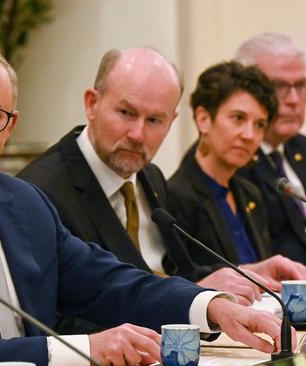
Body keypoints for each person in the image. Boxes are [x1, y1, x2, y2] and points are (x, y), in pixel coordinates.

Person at [0, 39, 287, 366]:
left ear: (10, 126)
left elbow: (109, 282)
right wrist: (86, 348)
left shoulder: (21, 200)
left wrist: (211, 305)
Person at [17, 47, 305, 324]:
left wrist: (243, 273)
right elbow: (50, 317)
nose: (138, 135)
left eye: (155, 120)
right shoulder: (38, 191)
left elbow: (169, 272)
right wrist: (193, 300)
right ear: (92, 104)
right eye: (126, 113)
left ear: (172, 122)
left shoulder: (149, 176)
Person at [168, 61, 306, 285]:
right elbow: (178, 280)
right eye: (238, 118)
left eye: (260, 124)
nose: (249, 135)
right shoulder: (176, 196)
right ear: (203, 119)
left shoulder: (250, 193)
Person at [235, 33, 306, 263]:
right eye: (278, 86)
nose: (294, 99)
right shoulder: (233, 159)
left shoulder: (300, 147)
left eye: (301, 85)